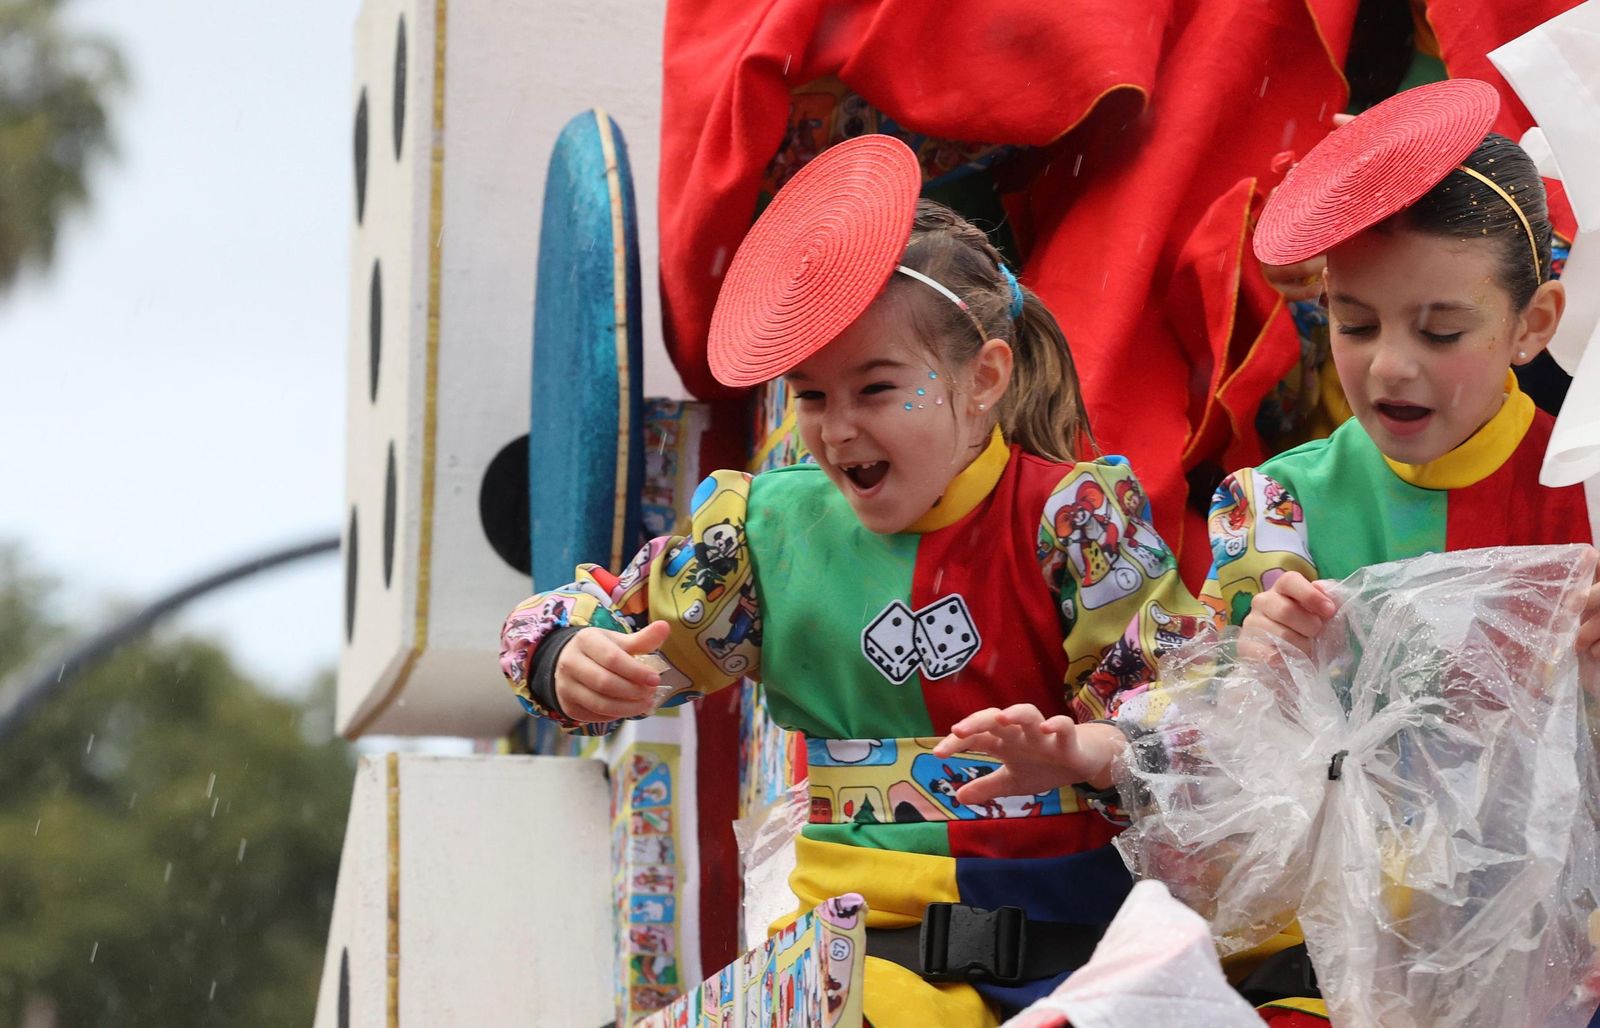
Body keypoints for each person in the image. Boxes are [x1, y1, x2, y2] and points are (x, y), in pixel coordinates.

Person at [499, 134, 1210, 1025]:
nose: (837, 431)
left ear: (984, 377)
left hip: (1074, 951)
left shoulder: (1075, 521)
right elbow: (607, 617)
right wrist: (570, 654)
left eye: (875, 390)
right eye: (813, 396)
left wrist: (1092, 750)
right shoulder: (764, 537)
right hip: (861, 963)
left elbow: (1191, 712)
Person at [936, 79, 1600, 1026]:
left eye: (1441, 330)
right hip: (1336, 954)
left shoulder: (1586, 493)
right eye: (1356, 323)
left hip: (1562, 953)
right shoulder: (1279, 507)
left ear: (1534, 322)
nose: (1390, 364)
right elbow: (1208, 721)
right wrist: (1104, 745)